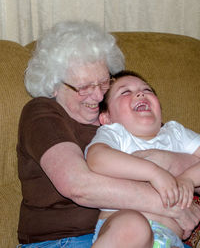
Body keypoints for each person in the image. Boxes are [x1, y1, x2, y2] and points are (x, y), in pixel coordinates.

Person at [17, 21, 200, 248]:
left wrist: (167, 162)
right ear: (54, 86)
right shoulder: (43, 113)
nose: (97, 96)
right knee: (133, 227)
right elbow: (79, 186)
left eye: (103, 82)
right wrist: (170, 203)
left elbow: (174, 151)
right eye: (84, 87)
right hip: (64, 240)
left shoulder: (125, 116)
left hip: (154, 237)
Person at [85, 71, 200, 248]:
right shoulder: (115, 133)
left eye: (147, 90)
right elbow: (97, 158)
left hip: (170, 240)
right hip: (124, 234)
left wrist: (188, 179)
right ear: (106, 118)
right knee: (134, 226)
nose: (140, 93)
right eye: (125, 92)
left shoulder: (175, 133)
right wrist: (153, 172)